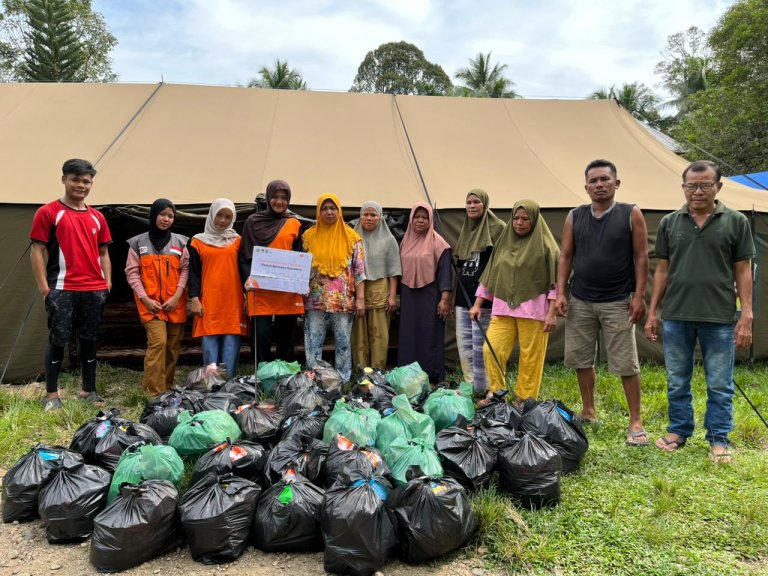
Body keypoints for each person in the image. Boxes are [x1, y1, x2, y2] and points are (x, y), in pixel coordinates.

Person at [645, 160, 754, 464]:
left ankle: (719, 439)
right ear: (683, 187)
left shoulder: (735, 222)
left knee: (719, 382)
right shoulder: (670, 222)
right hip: (676, 315)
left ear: (718, 187)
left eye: (705, 185)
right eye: (691, 185)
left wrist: (747, 314)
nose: (698, 191)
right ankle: (679, 431)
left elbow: (743, 270)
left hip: (719, 317)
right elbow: (662, 270)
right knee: (677, 379)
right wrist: (653, 312)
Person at [554, 159, 649, 447]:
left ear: (616, 183)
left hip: (618, 300)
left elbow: (641, 256)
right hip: (581, 299)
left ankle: (635, 422)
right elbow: (565, 256)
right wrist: (560, 292)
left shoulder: (630, 213)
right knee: (582, 359)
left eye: (605, 179)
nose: (599, 185)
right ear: (586, 187)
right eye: (593, 181)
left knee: (627, 363)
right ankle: (588, 410)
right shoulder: (574, 216)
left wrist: (640, 296)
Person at [30, 159, 112, 411]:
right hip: (62, 288)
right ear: (64, 179)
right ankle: (52, 395)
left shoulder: (97, 216)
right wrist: (45, 288)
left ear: (91, 184)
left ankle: (89, 390)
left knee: (88, 339)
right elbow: (37, 250)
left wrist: (107, 283)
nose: (80, 185)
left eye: (86, 181)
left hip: (93, 289)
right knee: (58, 340)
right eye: (75, 179)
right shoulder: (48, 212)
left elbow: (104, 253)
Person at [470, 200, 559, 406]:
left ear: (534, 219)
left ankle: (524, 398)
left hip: (534, 311)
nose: (519, 223)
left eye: (525, 219)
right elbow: (491, 275)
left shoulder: (546, 246)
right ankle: (496, 393)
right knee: (491, 348)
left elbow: (556, 282)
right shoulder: (503, 242)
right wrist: (477, 303)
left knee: (531, 357)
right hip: (503, 309)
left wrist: (552, 312)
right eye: (516, 218)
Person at [125, 199, 189, 397]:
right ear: (153, 215)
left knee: (172, 347)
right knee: (158, 343)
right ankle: (153, 394)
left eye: (170, 216)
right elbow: (132, 273)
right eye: (162, 214)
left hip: (174, 304)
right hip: (150, 305)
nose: (166, 219)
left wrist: (177, 296)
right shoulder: (137, 243)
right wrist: (145, 298)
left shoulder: (181, 242)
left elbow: (186, 269)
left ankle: (167, 390)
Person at [302, 194, 365, 382]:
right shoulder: (308, 236)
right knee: (313, 341)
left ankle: (342, 380)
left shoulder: (353, 238)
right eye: (324, 208)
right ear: (318, 211)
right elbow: (301, 267)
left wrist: (360, 299)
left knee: (343, 342)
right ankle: (315, 379)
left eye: (333, 208)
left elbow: (359, 271)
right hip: (315, 299)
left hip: (343, 301)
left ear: (339, 211)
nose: (329, 212)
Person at [240, 180, 304, 363]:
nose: (279, 201)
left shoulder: (294, 223)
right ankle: (263, 375)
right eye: (275, 197)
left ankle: (285, 375)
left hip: (286, 288)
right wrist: (247, 278)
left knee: (287, 335)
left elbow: (298, 254)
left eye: (284, 198)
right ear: (268, 198)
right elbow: (244, 255)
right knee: (261, 335)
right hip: (260, 288)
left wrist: (299, 279)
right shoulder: (253, 222)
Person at [188, 198, 247, 379]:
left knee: (231, 341)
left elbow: (245, 270)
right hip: (209, 299)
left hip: (233, 299)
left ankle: (228, 383)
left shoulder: (238, 241)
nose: (222, 220)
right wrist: (194, 298)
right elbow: (193, 273)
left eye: (228, 217)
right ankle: (211, 384)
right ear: (212, 214)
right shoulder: (197, 242)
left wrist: (248, 296)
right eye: (219, 215)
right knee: (210, 340)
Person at [454, 189, 505, 397]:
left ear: (485, 204)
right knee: (464, 345)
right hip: (462, 297)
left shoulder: (497, 229)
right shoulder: (466, 230)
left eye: (476, 202)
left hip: (484, 299)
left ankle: (483, 388)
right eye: (469, 202)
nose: (472, 206)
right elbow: (460, 265)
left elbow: (497, 266)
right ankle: (470, 384)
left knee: (481, 345)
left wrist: (481, 298)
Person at [398, 202, 453, 383]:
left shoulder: (439, 244)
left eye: (424, 217)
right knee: (409, 334)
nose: (420, 221)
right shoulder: (405, 241)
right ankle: (408, 376)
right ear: (411, 219)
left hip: (431, 295)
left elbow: (446, 273)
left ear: (431, 220)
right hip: (409, 295)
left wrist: (445, 299)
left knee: (429, 333)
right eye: (416, 217)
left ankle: (431, 375)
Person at [352, 201, 402, 369]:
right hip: (357, 288)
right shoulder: (352, 238)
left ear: (380, 217)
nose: (369, 218)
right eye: (365, 214)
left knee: (379, 332)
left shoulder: (389, 240)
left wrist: (393, 295)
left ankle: (377, 370)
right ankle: (361, 370)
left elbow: (393, 271)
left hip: (380, 289)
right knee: (359, 332)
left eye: (373, 215)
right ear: (360, 216)